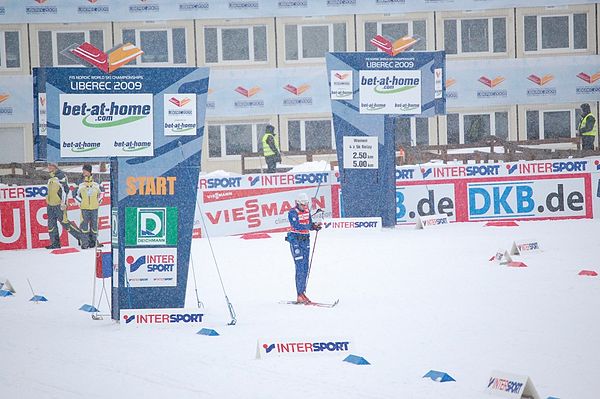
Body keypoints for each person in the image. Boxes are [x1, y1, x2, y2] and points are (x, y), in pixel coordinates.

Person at [286, 192, 322, 303]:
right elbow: (296, 226)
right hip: (296, 240)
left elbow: (309, 224)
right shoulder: (292, 212)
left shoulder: (307, 211)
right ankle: (299, 294)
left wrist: (315, 226)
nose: (304, 206)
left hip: (305, 240)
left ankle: (302, 293)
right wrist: (308, 226)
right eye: (302, 204)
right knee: (300, 267)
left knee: (305, 267)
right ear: (297, 203)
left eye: (306, 204)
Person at [45, 162, 80, 249]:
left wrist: (63, 203)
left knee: (65, 224)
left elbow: (66, 190)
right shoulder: (51, 178)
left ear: (55, 166)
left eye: (50, 165)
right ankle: (55, 243)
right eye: (48, 165)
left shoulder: (60, 176)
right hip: (50, 205)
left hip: (59, 205)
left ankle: (82, 237)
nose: (48, 167)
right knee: (51, 225)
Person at [75, 164, 102, 249]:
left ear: (89, 171)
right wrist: (80, 202)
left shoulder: (96, 181)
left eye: (85, 171)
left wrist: (98, 201)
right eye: (83, 171)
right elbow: (74, 194)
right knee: (84, 227)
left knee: (94, 226)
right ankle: (85, 243)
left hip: (94, 208)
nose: (83, 172)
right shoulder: (80, 181)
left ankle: (93, 243)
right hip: (84, 208)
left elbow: (102, 192)